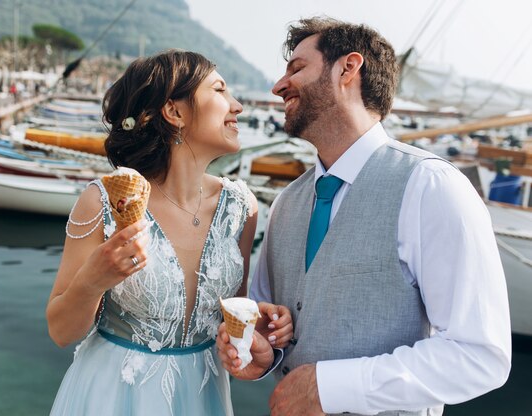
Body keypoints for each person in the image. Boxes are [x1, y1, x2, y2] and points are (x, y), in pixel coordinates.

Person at [216, 17, 511, 416]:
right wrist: (263, 353)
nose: (278, 85)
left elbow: (480, 356)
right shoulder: (287, 202)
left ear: (347, 69)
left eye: (297, 68)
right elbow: (271, 332)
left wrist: (330, 387)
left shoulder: (430, 187)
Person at [46, 50, 293, 416]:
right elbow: (61, 332)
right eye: (220, 90)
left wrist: (258, 322)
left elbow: (226, 323)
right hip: (113, 398)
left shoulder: (242, 207)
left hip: (201, 397)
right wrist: (94, 280)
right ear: (175, 112)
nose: (237, 106)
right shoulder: (100, 202)